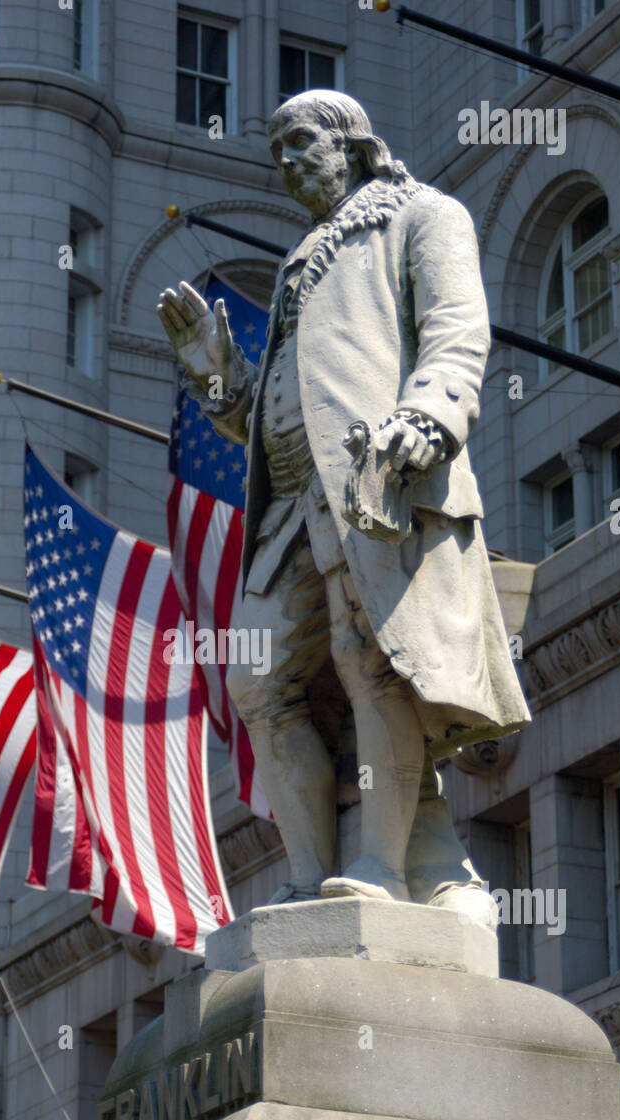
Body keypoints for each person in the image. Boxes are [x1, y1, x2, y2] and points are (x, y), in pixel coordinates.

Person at [157, 90, 530, 923]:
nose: (285, 164)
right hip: (290, 505)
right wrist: (217, 377)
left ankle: (379, 870)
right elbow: (267, 405)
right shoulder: (303, 257)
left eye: (299, 144)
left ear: (355, 144)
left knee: (371, 664)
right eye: (275, 151)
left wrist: (429, 414)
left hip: (377, 489)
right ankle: (313, 875)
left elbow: (458, 329)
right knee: (259, 683)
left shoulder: (424, 215)